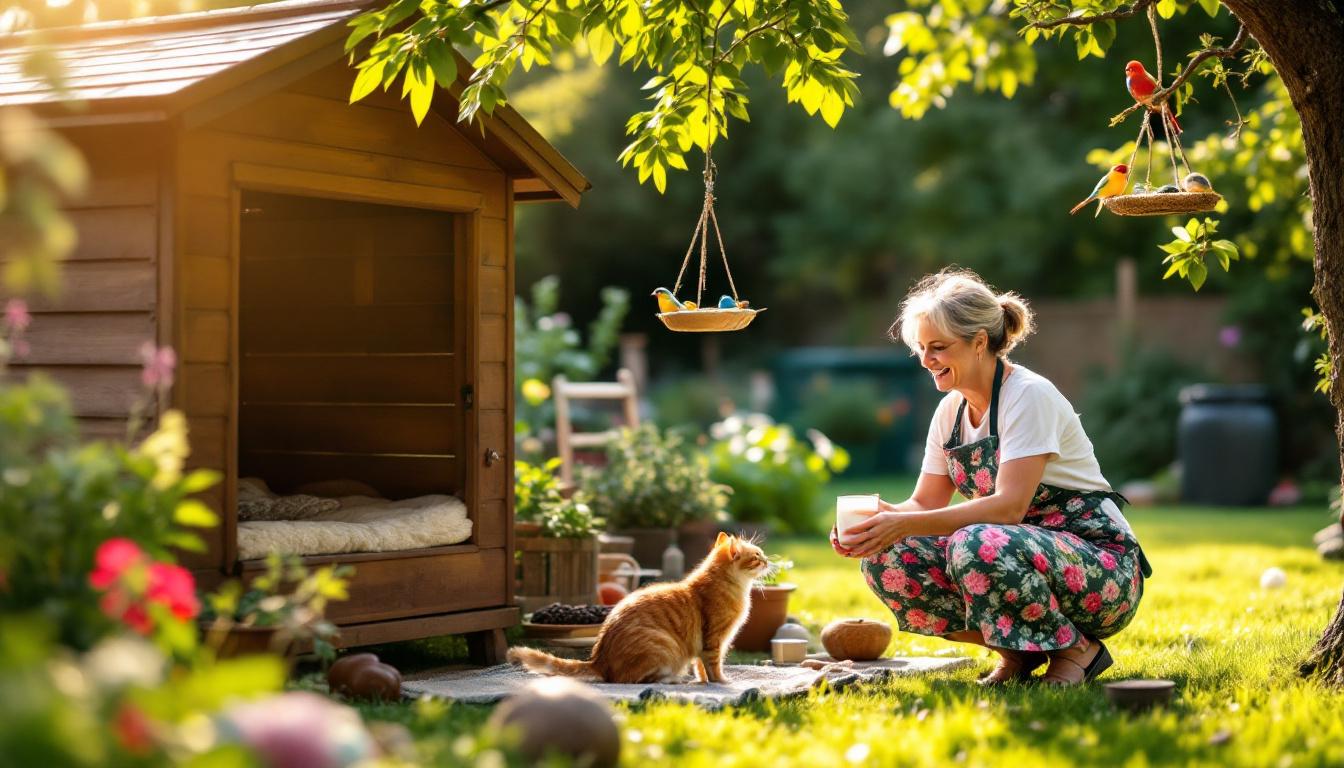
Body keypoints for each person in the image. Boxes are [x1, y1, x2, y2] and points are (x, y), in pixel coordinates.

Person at [832, 268, 1150, 685]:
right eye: (922, 348)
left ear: (979, 343)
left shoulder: (1028, 396)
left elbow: (1008, 507)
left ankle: (1078, 652)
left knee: (976, 541)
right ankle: (1015, 654)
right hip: (1013, 552)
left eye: (939, 348)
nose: (927, 361)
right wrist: (875, 526)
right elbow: (924, 505)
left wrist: (902, 523)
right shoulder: (950, 413)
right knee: (889, 556)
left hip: (1101, 571)